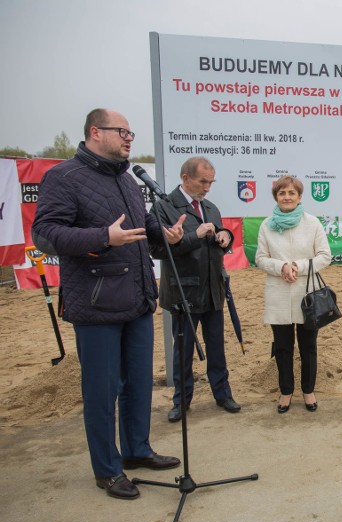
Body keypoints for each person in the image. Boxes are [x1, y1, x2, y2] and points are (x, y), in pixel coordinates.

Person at [31, 108, 184, 500]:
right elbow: (46, 234)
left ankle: (136, 450)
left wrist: (164, 234)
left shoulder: (129, 181)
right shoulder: (63, 177)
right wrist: (102, 237)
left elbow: (140, 231)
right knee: (102, 390)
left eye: (131, 133)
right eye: (123, 131)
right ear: (95, 132)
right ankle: (107, 469)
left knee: (138, 384)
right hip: (96, 305)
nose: (129, 138)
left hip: (137, 300)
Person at [153, 156, 241, 422]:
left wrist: (226, 237)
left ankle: (222, 394)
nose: (207, 187)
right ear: (185, 178)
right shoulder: (164, 207)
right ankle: (182, 401)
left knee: (217, 346)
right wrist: (195, 235)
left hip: (213, 289)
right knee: (183, 350)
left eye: (211, 182)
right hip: (184, 293)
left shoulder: (210, 208)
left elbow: (217, 239)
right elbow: (158, 249)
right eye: (203, 181)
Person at [255, 176, 331, 413]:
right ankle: (286, 392)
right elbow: (260, 258)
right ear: (276, 196)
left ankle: (308, 390)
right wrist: (281, 268)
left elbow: (324, 256)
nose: (286, 197)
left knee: (308, 346)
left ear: (299, 197)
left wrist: (298, 266)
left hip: (306, 295)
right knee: (283, 347)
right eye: (282, 193)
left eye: (291, 193)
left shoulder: (313, 223)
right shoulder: (266, 225)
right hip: (278, 295)